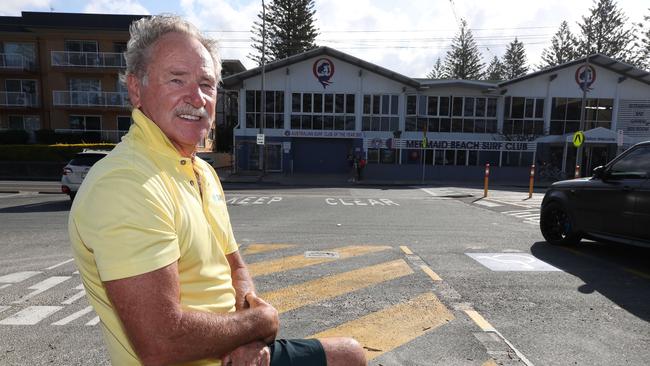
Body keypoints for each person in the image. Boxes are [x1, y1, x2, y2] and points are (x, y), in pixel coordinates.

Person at [68, 15, 366, 366]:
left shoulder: (203, 172)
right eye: (177, 79)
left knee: (350, 354)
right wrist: (260, 322)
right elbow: (162, 343)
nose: (196, 98)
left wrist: (246, 340)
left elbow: (235, 268)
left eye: (207, 84)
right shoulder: (125, 184)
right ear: (136, 88)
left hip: (233, 344)